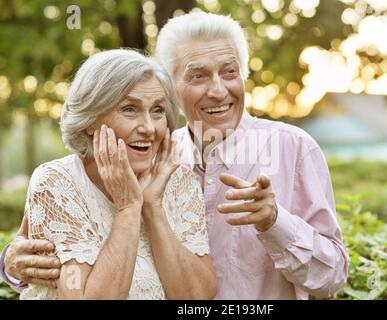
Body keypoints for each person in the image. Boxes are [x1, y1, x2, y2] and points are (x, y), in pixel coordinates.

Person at [2, 12, 348, 299]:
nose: (218, 90)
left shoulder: (294, 149)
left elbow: (332, 277)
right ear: (172, 88)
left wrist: (275, 222)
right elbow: (40, 241)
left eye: (229, 73)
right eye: (198, 76)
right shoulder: (153, 156)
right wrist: (10, 264)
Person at [2, 48, 217, 300]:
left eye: (157, 110)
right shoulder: (57, 181)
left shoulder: (180, 182)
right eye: (129, 109)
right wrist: (128, 208)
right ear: (90, 120)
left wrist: (152, 206)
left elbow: (197, 298)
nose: (148, 128)